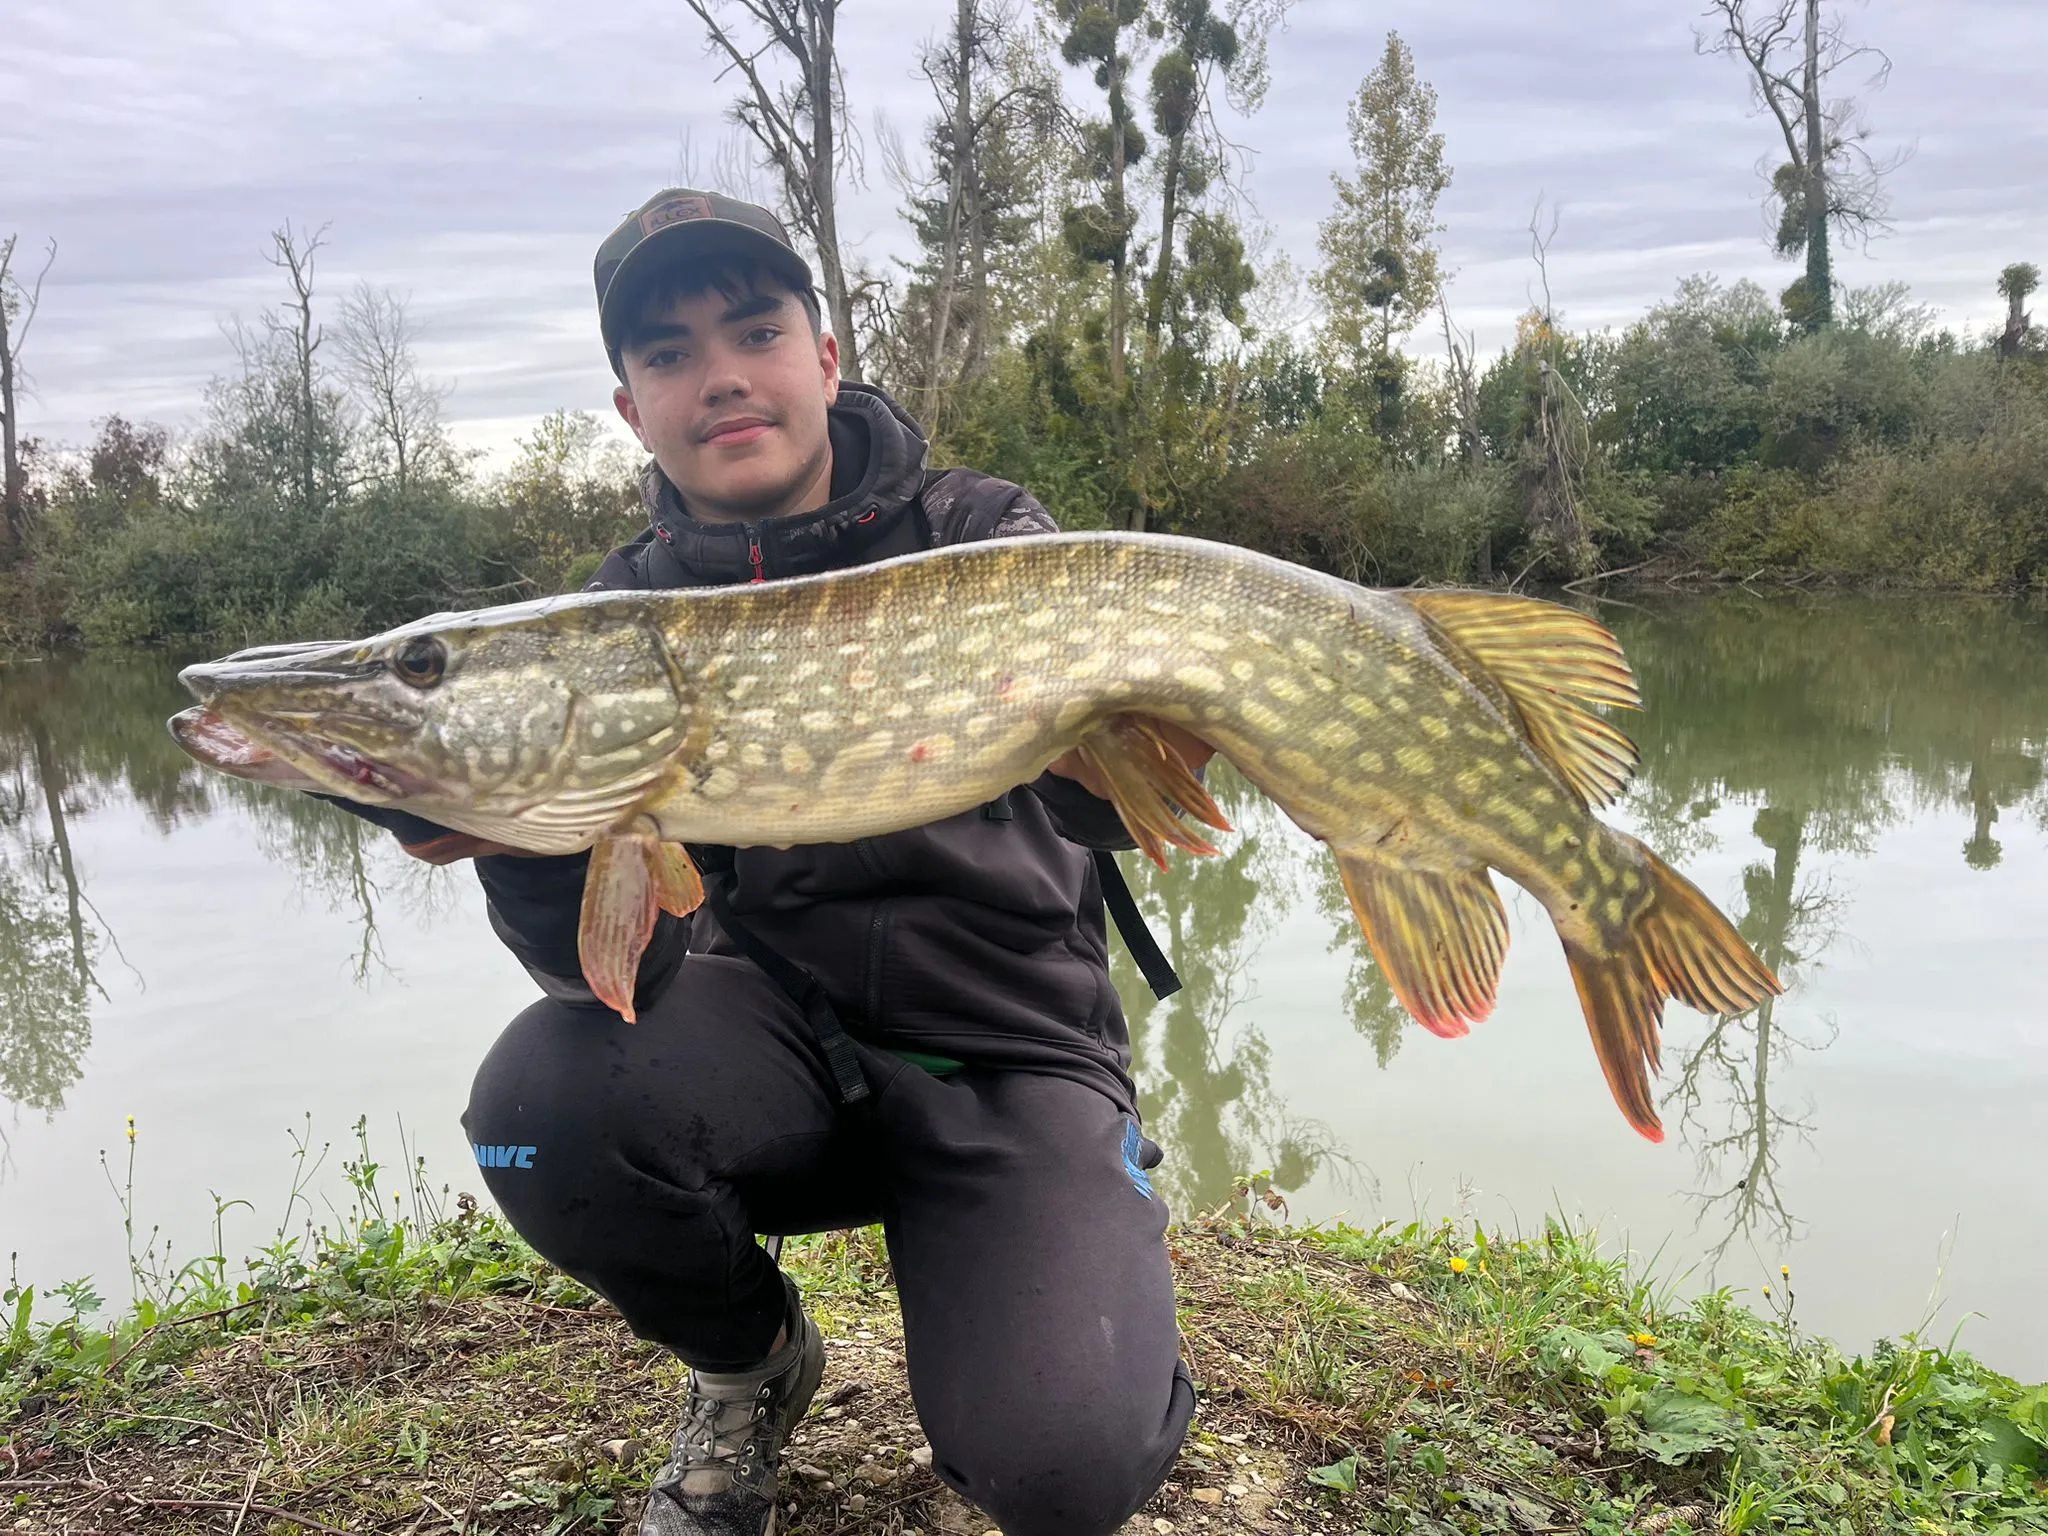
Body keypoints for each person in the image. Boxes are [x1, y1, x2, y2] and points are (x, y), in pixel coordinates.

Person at [350, 189, 1210, 1536]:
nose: (722, 377)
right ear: (631, 405)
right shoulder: (617, 618)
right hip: (783, 1062)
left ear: (823, 355)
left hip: (1007, 1057)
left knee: (1063, 1467)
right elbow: (620, 982)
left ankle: (1075, 1255)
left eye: (755, 328)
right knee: (535, 1107)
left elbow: (1120, 810)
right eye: (669, 352)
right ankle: (753, 1366)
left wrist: (1138, 753)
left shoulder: (988, 536)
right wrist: (519, 833)